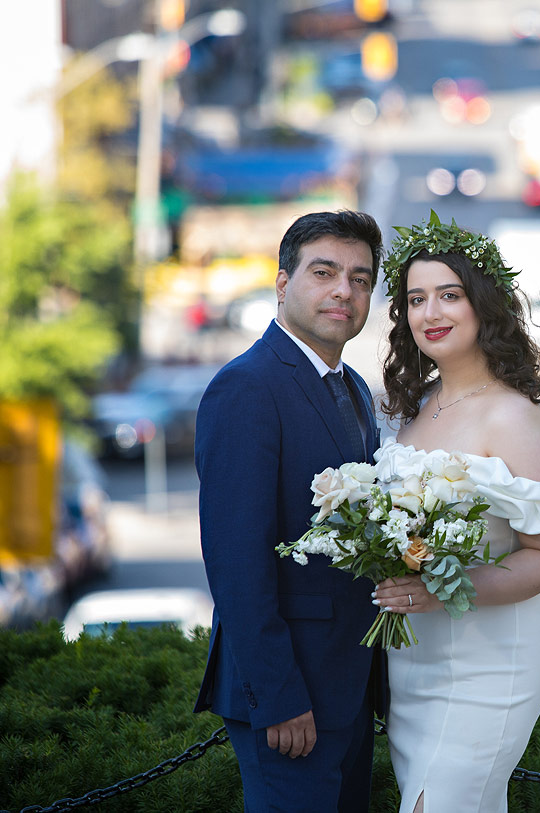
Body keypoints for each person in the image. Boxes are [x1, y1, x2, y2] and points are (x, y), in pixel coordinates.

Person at [373, 212, 540, 813]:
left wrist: (446, 589)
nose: (430, 313)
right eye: (416, 299)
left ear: (484, 306)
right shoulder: (416, 410)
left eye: (449, 295)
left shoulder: (513, 417)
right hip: (412, 665)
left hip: (488, 667)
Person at [194, 210, 387, 813]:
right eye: (324, 272)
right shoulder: (247, 387)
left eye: (360, 278)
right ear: (282, 284)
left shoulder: (352, 385)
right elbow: (236, 562)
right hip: (290, 698)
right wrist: (277, 697)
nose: (343, 291)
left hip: (350, 688)